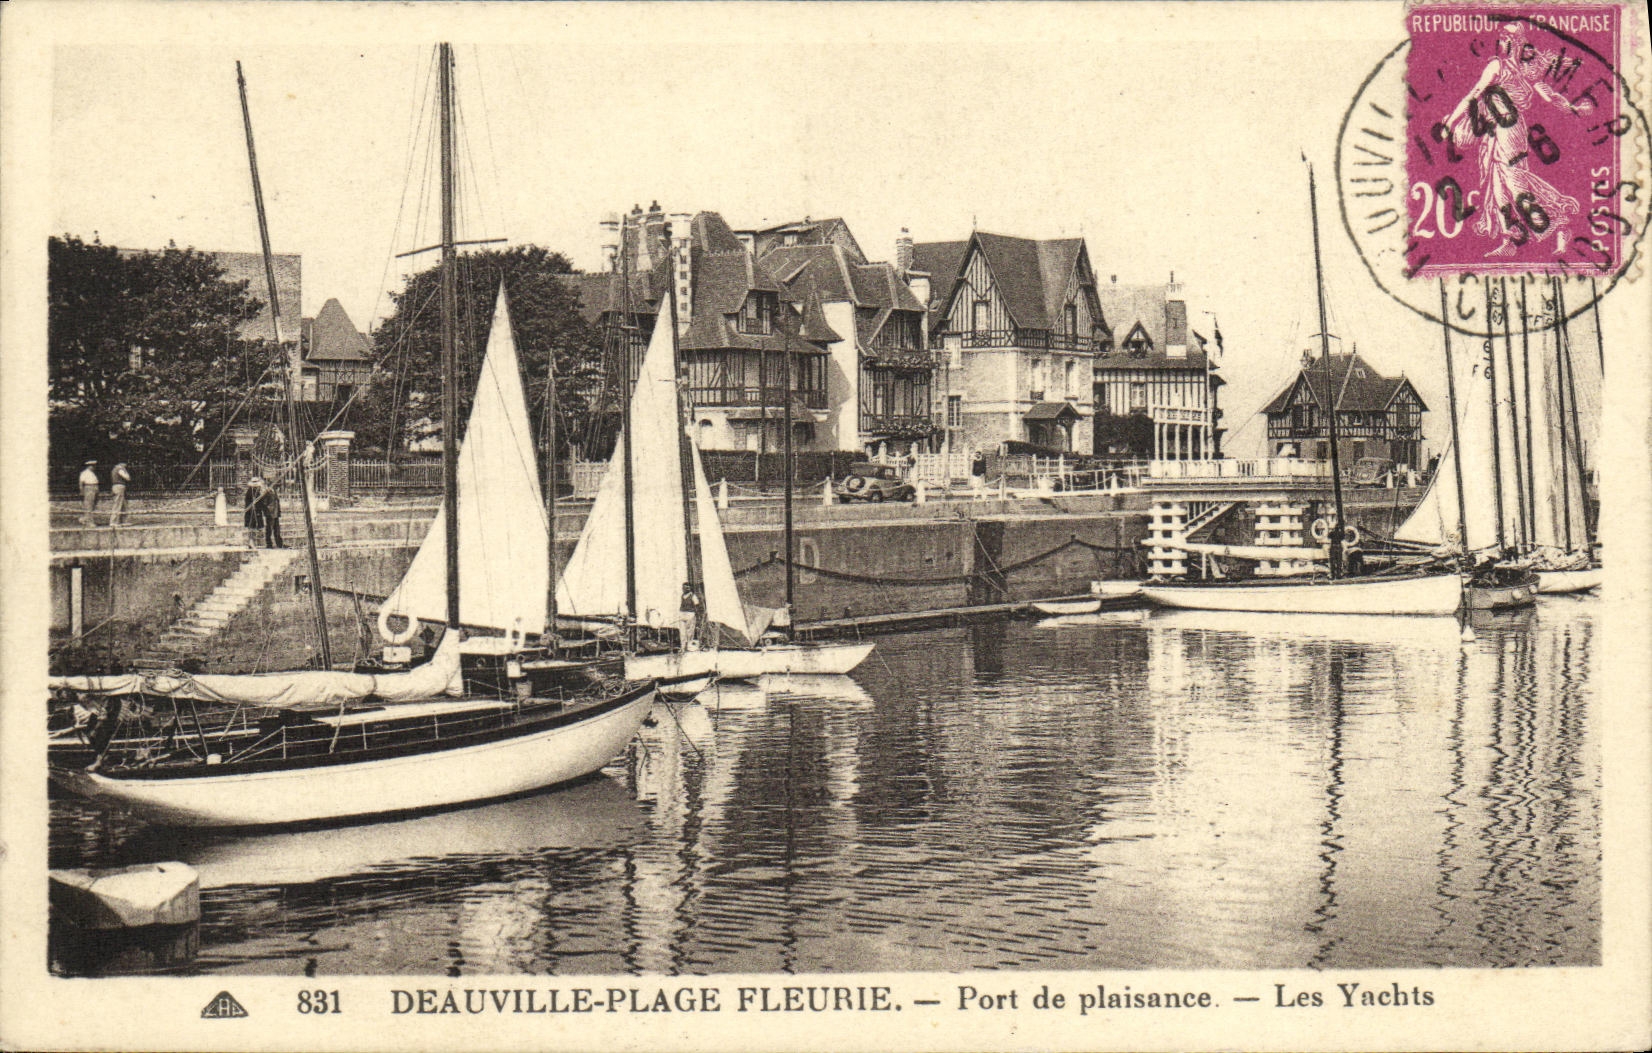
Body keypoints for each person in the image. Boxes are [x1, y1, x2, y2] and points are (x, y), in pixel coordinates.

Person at [1443, 19, 1587, 257]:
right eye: (1503, 38)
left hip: (1508, 130)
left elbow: (1475, 94)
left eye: (1507, 38)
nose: (1503, 42)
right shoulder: (1515, 69)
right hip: (1498, 130)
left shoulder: (1504, 67)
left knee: (1513, 181)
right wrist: (1573, 108)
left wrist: (1449, 122)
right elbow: (1550, 96)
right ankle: (1510, 240)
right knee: (1498, 183)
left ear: (1514, 42)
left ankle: (1559, 223)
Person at [256, 479, 285, 549]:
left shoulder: (273, 491)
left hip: (276, 512)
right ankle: (269, 544)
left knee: (277, 529)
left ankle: (279, 544)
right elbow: (264, 503)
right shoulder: (266, 492)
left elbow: (276, 501)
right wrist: (267, 511)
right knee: (269, 529)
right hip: (270, 513)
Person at [107, 462, 131, 527]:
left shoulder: (115, 469)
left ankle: (123, 521)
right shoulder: (119, 469)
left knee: (123, 504)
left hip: (118, 487)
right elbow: (127, 478)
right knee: (117, 504)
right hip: (119, 487)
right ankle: (114, 522)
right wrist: (125, 471)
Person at [243, 476, 265, 546]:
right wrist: (252, 506)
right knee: (251, 526)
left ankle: (256, 542)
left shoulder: (258, 491)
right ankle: (251, 542)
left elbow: (261, 501)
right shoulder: (250, 491)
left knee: (257, 526)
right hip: (251, 512)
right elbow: (247, 502)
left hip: (257, 510)